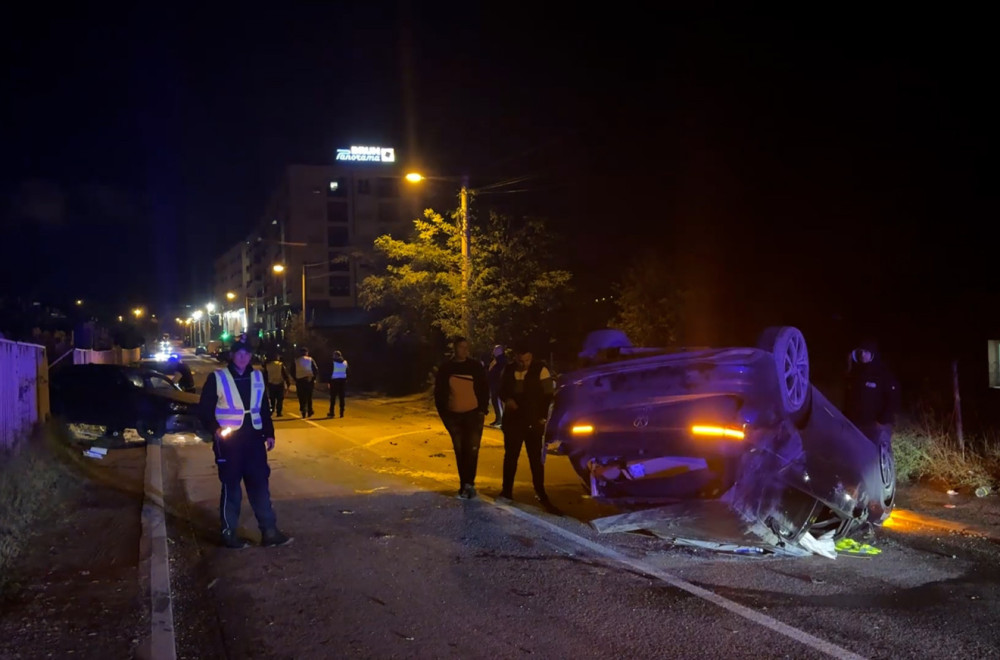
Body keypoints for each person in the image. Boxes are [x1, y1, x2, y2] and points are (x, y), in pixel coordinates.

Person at [197, 339, 293, 549]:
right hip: (229, 443)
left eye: (247, 354)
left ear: (251, 356)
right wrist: (215, 429)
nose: (243, 357)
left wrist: (269, 433)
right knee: (232, 488)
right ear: (232, 355)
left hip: (254, 440)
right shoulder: (218, 378)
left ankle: (269, 532)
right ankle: (228, 534)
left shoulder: (258, 376)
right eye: (239, 353)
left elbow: (263, 408)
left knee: (260, 486)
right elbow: (204, 410)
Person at [434, 336, 490, 499]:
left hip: (473, 414)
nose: (464, 350)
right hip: (454, 416)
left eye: (466, 347)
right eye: (461, 347)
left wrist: (482, 409)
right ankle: (463, 483)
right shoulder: (446, 368)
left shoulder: (475, 367)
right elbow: (439, 393)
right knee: (460, 450)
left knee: (472, 449)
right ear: (455, 349)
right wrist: (445, 413)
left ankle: (469, 483)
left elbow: (483, 387)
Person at [498, 344, 554, 504]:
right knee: (510, 457)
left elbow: (548, 394)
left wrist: (542, 417)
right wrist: (508, 400)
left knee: (535, 459)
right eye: (521, 360)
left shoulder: (541, 370)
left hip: (533, 421)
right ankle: (507, 490)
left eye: (527, 360)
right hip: (513, 421)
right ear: (516, 357)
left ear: (531, 357)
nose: (524, 363)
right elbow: (501, 390)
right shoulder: (508, 370)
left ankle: (540, 491)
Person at [844, 338, 900, 447]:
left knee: (878, 453)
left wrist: (882, 421)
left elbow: (893, 398)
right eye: (861, 352)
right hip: (858, 423)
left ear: (873, 354)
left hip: (876, 425)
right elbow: (850, 396)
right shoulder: (857, 373)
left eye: (866, 352)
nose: (863, 355)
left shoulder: (883, 373)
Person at [264, 352, 292, 417]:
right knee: (280, 399)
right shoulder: (280, 365)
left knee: (272, 398)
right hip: (279, 383)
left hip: (271, 384)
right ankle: (279, 412)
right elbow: (285, 374)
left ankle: (272, 409)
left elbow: (265, 375)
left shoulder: (268, 365)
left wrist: (265, 384)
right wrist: (288, 383)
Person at [293, 346, 319, 418]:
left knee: (301, 396)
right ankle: (310, 410)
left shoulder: (296, 361)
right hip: (309, 380)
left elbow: (292, 370)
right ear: (306, 353)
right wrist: (314, 378)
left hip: (300, 380)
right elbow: (316, 369)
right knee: (309, 396)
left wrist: (295, 378)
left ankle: (303, 410)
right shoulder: (310, 359)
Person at [487, 344, 507, 427]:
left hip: (498, 384)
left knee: (498, 401)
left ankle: (501, 419)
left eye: (495, 350)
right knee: (495, 401)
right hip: (494, 383)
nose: (493, 351)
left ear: (499, 351)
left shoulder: (502, 360)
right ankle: (498, 419)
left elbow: (500, 372)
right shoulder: (496, 360)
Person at [328, 349, 349, 418]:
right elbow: (348, 371)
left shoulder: (333, 363)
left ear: (335, 356)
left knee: (333, 398)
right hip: (342, 381)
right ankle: (341, 412)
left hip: (334, 381)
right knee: (341, 397)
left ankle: (332, 412)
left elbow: (330, 372)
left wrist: (329, 381)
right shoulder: (345, 362)